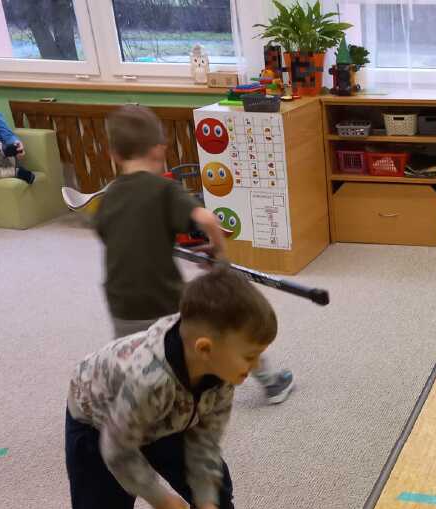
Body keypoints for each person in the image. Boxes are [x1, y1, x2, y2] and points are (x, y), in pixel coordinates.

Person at [65, 266, 280, 509]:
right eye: (250, 356)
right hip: (101, 423)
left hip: (171, 415)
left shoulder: (222, 374)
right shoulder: (148, 379)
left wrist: (206, 502)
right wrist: (157, 496)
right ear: (205, 349)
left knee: (215, 485)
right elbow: (117, 449)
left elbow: (205, 441)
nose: (256, 366)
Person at [93, 104, 295, 404]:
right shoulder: (164, 190)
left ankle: (134, 401)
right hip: (164, 298)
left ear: (114, 155)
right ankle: (271, 382)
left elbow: (105, 232)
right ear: (159, 150)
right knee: (222, 324)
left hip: (120, 302)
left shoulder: (108, 196)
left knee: (133, 354)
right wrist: (219, 252)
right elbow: (207, 219)